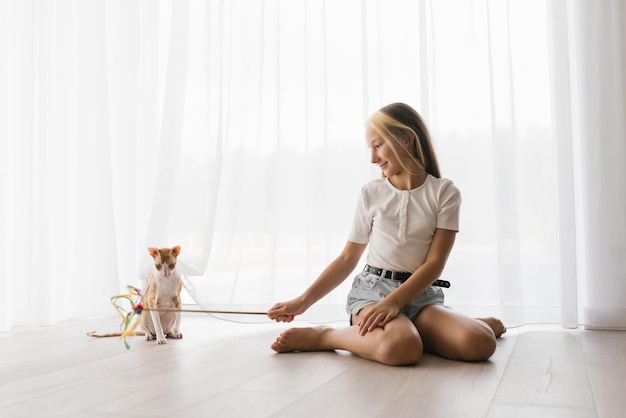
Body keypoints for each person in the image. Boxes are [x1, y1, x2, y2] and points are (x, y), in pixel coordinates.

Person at [267, 103, 506, 366]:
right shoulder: (371, 193)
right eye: (370, 148)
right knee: (402, 347)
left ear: (406, 138)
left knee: (480, 343)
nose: (372, 158)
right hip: (373, 293)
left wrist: (396, 303)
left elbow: (434, 264)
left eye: (378, 145)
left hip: (421, 297)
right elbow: (348, 257)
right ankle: (327, 336)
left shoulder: (444, 193)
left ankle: (442, 329)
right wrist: (302, 301)